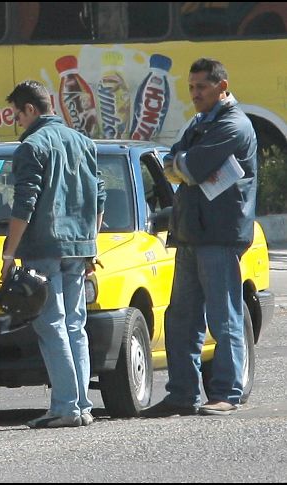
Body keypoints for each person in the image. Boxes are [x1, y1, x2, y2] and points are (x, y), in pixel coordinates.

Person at [141, 58, 257, 418]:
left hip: (219, 236)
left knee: (224, 318)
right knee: (182, 319)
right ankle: (182, 394)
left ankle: (226, 393)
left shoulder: (234, 125)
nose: (194, 94)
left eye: (201, 87)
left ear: (222, 87)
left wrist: (183, 166)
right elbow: (170, 162)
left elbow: (189, 167)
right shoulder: (200, 123)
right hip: (191, 233)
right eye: (191, 87)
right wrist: (182, 166)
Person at [3, 80, 105, 429]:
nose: (18, 121)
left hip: (44, 246)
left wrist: (8, 253)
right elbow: (99, 198)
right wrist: (92, 244)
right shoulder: (84, 142)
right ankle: (82, 405)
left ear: (31, 109)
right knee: (76, 325)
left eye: (18, 114)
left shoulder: (32, 147)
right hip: (79, 246)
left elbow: (25, 204)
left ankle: (65, 407)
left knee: (51, 324)